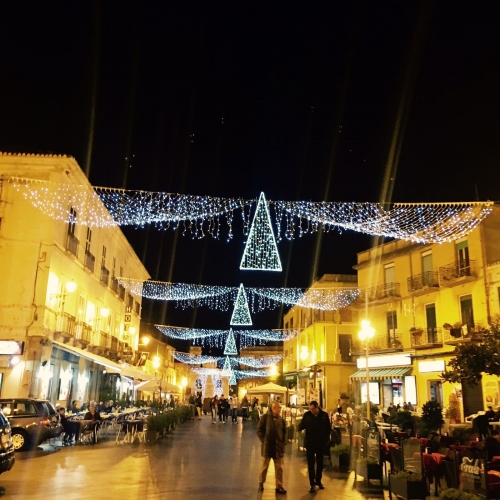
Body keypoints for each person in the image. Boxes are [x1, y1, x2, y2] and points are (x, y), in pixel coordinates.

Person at [299, 401, 331, 492]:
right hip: (310, 443)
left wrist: (326, 440)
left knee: (320, 464)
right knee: (311, 464)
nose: (311, 410)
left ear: (317, 408)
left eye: (313, 409)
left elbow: (328, 428)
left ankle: (318, 481)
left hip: (321, 443)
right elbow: (302, 426)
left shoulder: (324, 415)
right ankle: (312, 483)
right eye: (310, 409)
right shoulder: (307, 415)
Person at [256, 402, 287, 494]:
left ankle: (279, 485)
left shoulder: (281, 420)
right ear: (273, 408)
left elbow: (285, 432)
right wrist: (264, 440)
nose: (280, 410)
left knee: (279, 468)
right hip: (268, 446)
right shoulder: (265, 418)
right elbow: (259, 430)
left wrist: (284, 442)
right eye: (278, 408)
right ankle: (261, 482)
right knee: (264, 466)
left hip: (278, 448)